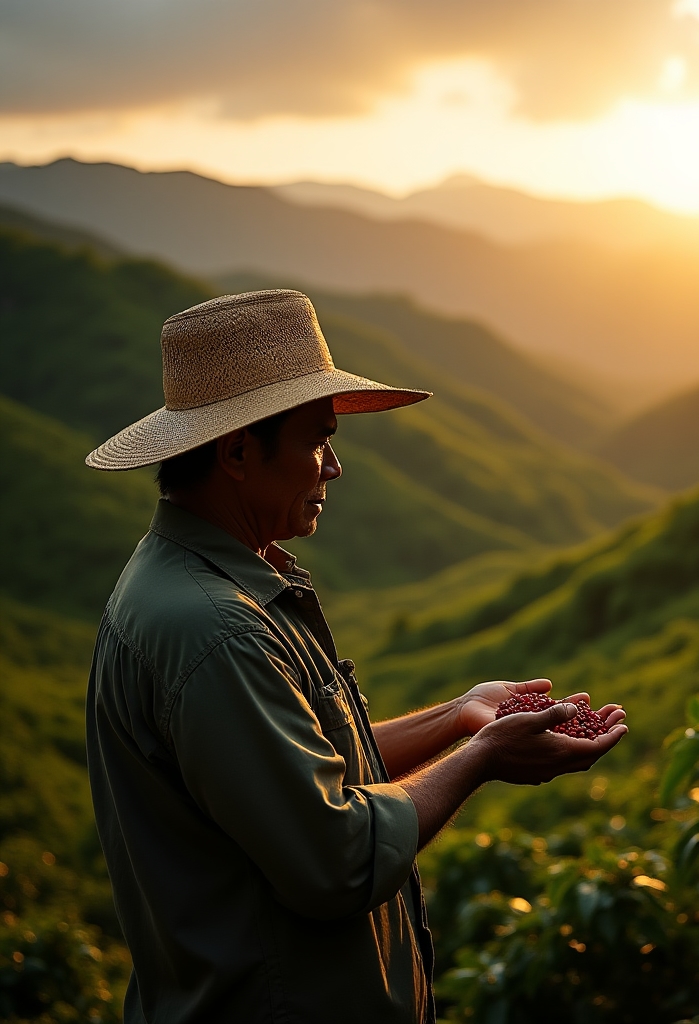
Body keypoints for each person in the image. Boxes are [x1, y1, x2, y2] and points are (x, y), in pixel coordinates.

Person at [84, 289, 627, 1024]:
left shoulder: (202, 587)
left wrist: (458, 716)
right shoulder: (219, 630)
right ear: (237, 452)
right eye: (317, 440)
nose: (333, 468)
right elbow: (337, 859)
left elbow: (306, 775)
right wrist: (483, 758)